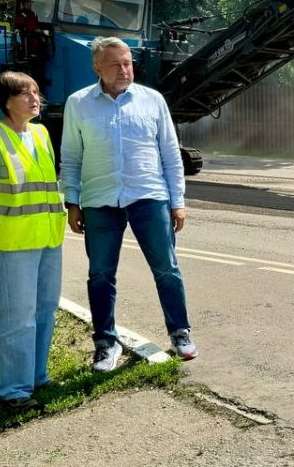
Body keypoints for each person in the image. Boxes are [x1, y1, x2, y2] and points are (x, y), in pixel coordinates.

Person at [60, 36, 196, 372]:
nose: (124, 70)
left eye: (128, 63)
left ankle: (180, 332)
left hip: (149, 197)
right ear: (97, 68)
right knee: (101, 274)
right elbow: (71, 157)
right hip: (100, 201)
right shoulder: (78, 104)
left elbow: (170, 154)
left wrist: (177, 201)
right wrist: (72, 202)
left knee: (166, 268)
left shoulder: (153, 101)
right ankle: (106, 344)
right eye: (115, 64)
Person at [0, 72, 66, 411]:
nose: (34, 98)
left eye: (36, 92)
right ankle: (13, 391)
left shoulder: (41, 133)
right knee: (17, 316)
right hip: (15, 245)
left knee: (44, 310)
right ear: (6, 101)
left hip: (49, 238)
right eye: (25, 93)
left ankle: (37, 376)